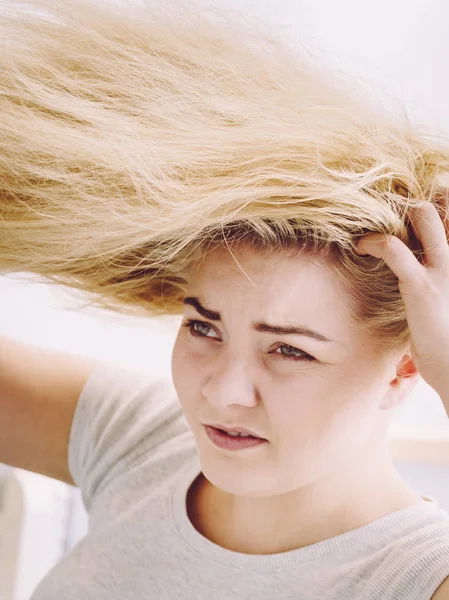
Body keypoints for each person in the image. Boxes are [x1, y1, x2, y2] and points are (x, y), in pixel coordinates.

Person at [2, 0, 449, 598]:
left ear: (408, 367)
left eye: (289, 350)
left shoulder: (414, 575)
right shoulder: (143, 441)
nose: (221, 391)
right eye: (204, 328)